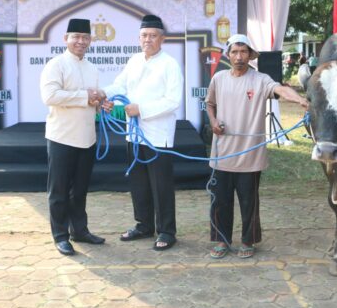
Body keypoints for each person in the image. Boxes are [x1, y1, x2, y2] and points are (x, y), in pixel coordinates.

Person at [205, 34, 308, 259]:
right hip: (222, 153)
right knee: (220, 200)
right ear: (228, 55)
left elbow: (280, 89)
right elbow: (210, 104)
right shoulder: (219, 78)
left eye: (243, 52)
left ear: (250, 55)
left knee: (248, 201)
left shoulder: (260, 79)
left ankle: (247, 240)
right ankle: (221, 240)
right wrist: (213, 122)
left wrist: (300, 100)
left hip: (250, 156)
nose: (239, 56)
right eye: (234, 52)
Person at [103, 14, 184, 251]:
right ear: (139, 38)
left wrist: (142, 109)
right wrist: (104, 96)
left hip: (158, 136)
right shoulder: (134, 60)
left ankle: (167, 231)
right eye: (144, 36)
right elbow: (120, 86)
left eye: (152, 35)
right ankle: (144, 225)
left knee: (161, 186)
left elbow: (173, 101)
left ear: (162, 39)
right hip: (134, 135)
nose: (147, 39)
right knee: (138, 183)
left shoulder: (170, 64)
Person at [40, 18, 106, 257]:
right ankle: (60, 236)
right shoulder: (55, 65)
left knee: (79, 190)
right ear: (65, 39)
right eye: (76, 36)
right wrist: (85, 96)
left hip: (87, 137)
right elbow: (50, 96)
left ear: (90, 41)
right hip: (61, 138)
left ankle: (79, 230)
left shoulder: (92, 67)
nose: (80, 41)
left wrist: (101, 102)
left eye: (85, 37)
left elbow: (93, 100)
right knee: (58, 190)